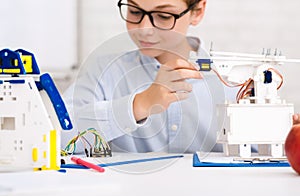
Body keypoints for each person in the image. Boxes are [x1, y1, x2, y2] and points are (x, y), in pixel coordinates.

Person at [62, 0, 300, 154]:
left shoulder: (237, 79)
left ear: (197, 12)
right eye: (134, 11)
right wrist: (139, 104)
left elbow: (268, 155)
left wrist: (282, 132)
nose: (144, 27)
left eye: (164, 16)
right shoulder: (102, 71)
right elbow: (55, 138)